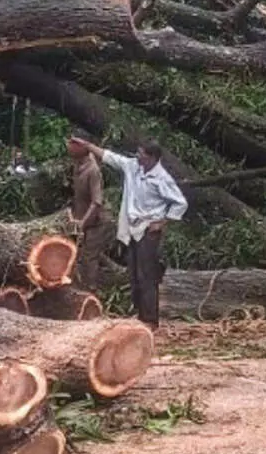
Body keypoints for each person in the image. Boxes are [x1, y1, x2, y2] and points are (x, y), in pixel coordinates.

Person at [68, 136, 187, 327]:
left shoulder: (161, 178)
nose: (138, 157)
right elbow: (110, 157)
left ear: (152, 157)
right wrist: (89, 145)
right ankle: (140, 315)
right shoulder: (133, 167)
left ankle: (150, 319)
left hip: (148, 230)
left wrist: (163, 222)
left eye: (141, 154)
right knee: (133, 273)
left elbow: (180, 202)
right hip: (132, 228)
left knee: (147, 275)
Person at [67, 132, 109, 287]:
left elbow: (96, 202)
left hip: (96, 222)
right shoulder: (77, 165)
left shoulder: (93, 170)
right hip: (81, 218)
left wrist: (82, 224)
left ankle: (90, 292)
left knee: (88, 258)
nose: (69, 145)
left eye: (73, 143)